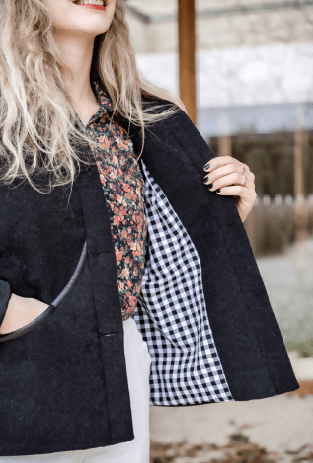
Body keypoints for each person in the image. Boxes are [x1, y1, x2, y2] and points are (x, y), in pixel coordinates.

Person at [0, 0, 298, 461]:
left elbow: (138, 246)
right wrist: (9, 312)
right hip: (20, 359)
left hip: (122, 354)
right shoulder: (6, 113)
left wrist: (216, 219)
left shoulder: (147, 119)